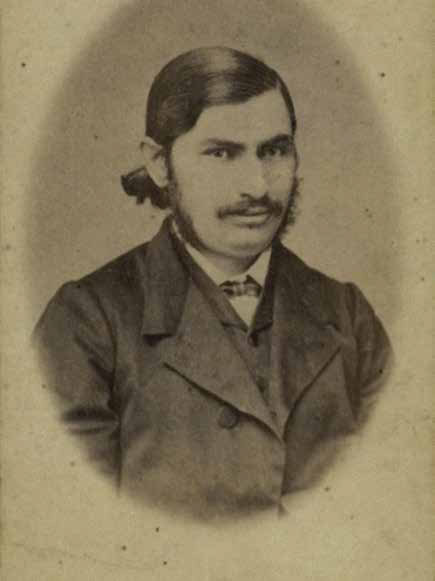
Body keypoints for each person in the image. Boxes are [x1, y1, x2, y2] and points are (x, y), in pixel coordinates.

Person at [34, 46, 391, 521]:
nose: (257, 187)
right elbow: (72, 530)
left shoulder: (349, 316)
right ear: (159, 163)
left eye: (274, 150)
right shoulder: (86, 323)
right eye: (222, 153)